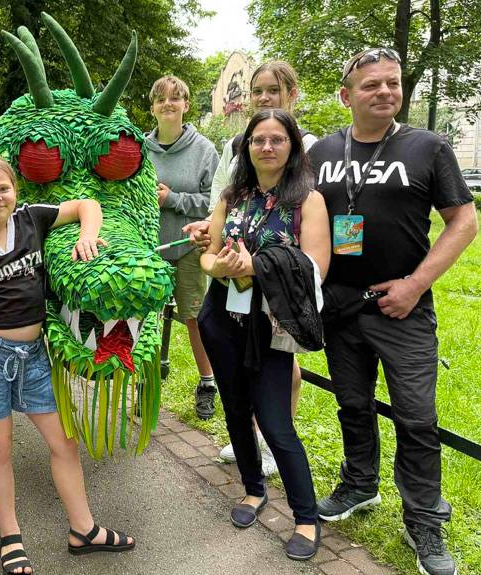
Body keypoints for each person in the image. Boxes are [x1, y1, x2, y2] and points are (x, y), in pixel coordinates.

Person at [308, 48, 477, 575]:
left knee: (417, 417)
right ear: (345, 95)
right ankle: (360, 485)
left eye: (392, 83)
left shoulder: (427, 146)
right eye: (370, 85)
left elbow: (463, 222)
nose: (385, 92)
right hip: (339, 305)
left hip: (402, 309)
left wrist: (414, 284)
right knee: (352, 404)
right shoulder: (324, 152)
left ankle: (424, 518)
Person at [0, 154, 134, 575]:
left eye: (3, 188)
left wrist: (87, 234)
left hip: (34, 356)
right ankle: (10, 537)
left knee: (64, 441)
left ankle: (83, 529)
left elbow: (89, 204)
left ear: (15, 190)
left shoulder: (32, 219)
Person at [196, 109, 330, 561]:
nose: (267, 147)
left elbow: (315, 266)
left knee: (274, 422)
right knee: (235, 411)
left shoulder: (307, 201)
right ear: (246, 146)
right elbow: (208, 257)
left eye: (276, 139)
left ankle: (306, 517)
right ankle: (254, 491)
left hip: (269, 326)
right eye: (258, 140)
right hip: (221, 318)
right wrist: (222, 266)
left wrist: (256, 265)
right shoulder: (233, 197)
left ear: (292, 146)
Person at [208, 61, 317, 474]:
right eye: (258, 91)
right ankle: (249, 437)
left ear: (293, 93)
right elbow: (224, 196)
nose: (265, 97)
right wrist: (210, 229)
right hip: (236, 273)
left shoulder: (309, 145)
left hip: (281, 272)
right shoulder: (239, 143)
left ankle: (275, 439)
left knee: (281, 359)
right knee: (245, 356)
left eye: (274, 90)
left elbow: (320, 211)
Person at [145, 75, 220, 420]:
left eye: (175, 99)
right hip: (150, 248)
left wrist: (172, 199)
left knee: (194, 318)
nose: (168, 104)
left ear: (186, 105)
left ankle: (207, 384)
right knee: (145, 318)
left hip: (190, 247)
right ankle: (147, 385)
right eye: (161, 99)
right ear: (153, 108)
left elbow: (216, 201)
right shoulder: (140, 150)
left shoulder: (204, 150)